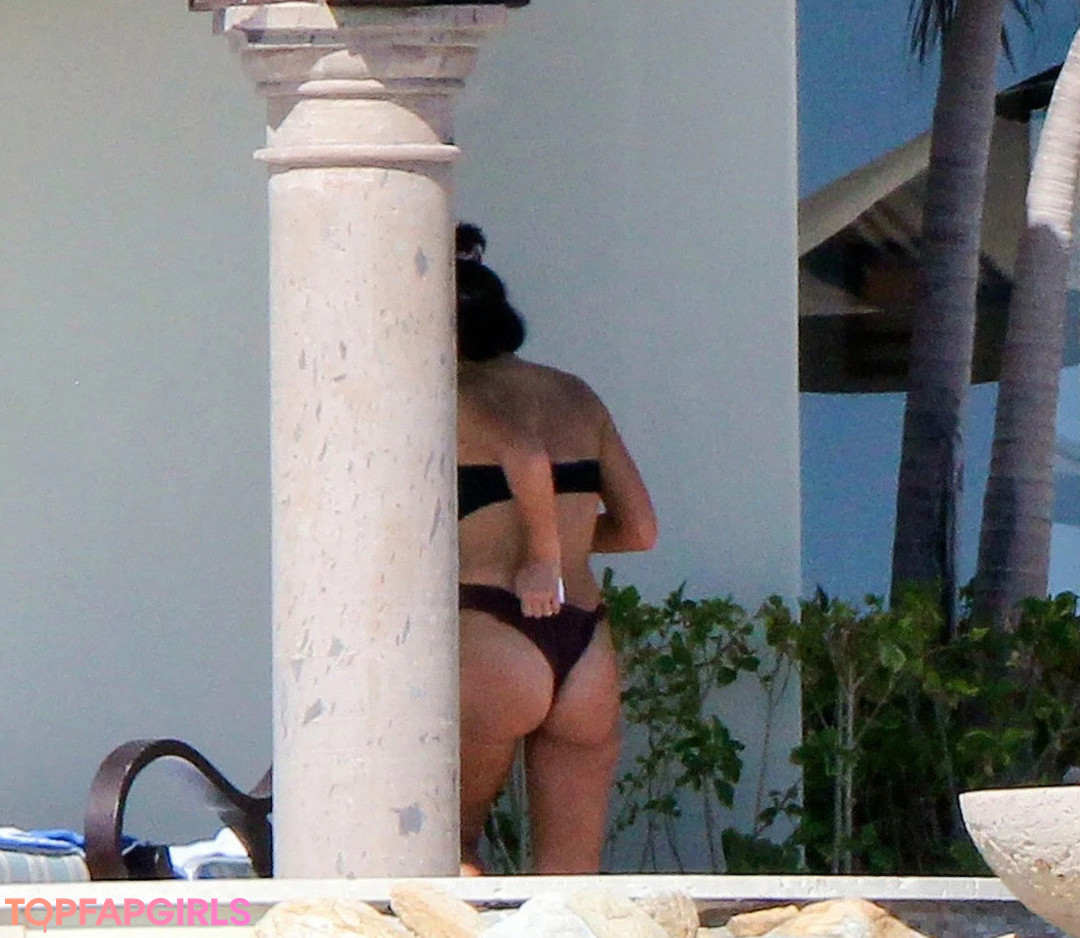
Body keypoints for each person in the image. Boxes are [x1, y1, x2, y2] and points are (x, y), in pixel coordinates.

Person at [456, 224, 658, 874]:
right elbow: (639, 529)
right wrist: (567, 540)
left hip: (492, 626)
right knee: (571, 877)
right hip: (584, 641)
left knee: (451, 850)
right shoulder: (575, 394)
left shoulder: (451, 394)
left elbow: (523, 453)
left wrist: (538, 556)